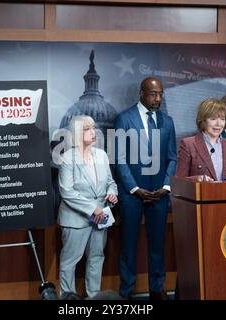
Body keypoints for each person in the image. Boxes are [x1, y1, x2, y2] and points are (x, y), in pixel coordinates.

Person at [113, 77, 177, 300]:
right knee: (128, 246)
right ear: (141, 93)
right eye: (153, 94)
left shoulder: (167, 122)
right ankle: (126, 292)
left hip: (159, 195)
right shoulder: (124, 119)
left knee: (157, 245)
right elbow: (119, 160)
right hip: (132, 196)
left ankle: (157, 289)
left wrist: (166, 186)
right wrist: (134, 189)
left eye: (160, 94)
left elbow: (172, 158)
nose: (157, 98)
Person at [58, 115, 118, 299]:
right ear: (76, 133)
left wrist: (112, 193)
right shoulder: (67, 158)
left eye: (93, 128)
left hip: (101, 218)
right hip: (76, 219)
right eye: (87, 129)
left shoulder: (101, 154)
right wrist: (93, 208)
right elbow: (66, 191)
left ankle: (94, 297)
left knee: (96, 258)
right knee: (70, 262)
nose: (93, 132)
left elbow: (110, 182)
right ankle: (68, 301)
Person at [176, 98, 226, 181]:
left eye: (222, 119)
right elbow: (179, 181)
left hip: (225, 193)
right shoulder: (188, 144)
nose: (218, 124)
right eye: (213, 119)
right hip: (199, 193)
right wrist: (197, 179)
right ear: (203, 120)